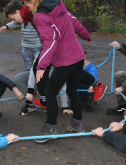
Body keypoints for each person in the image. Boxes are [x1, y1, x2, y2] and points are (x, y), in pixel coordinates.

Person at [24, 0, 102, 143]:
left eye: (27, 5)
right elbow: (75, 21)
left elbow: (51, 42)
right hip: (78, 56)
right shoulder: (59, 6)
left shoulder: (40, 16)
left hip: (66, 59)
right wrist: (85, 35)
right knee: (72, 91)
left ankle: (50, 130)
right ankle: (78, 123)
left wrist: (41, 66)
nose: (28, 9)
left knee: (50, 92)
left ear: (33, 1)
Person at [0, 1, 42, 71]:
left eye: (13, 18)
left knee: (39, 67)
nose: (14, 21)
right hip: (26, 46)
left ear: (17, 11)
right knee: (28, 68)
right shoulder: (20, 18)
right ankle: (28, 79)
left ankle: (39, 80)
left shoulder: (32, 14)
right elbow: (14, 23)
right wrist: (7, 26)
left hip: (37, 45)